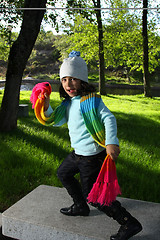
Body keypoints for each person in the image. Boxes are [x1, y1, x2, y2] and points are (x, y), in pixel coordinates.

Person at [38, 50, 142, 240]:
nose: (68, 84)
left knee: (94, 196)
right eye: (64, 80)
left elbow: (109, 118)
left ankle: (129, 222)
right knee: (63, 173)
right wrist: (45, 106)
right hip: (78, 153)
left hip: (92, 156)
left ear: (82, 81)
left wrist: (111, 142)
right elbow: (58, 121)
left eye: (73, 79)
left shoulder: (92, 101)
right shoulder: (68, 103)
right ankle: (79, 206)